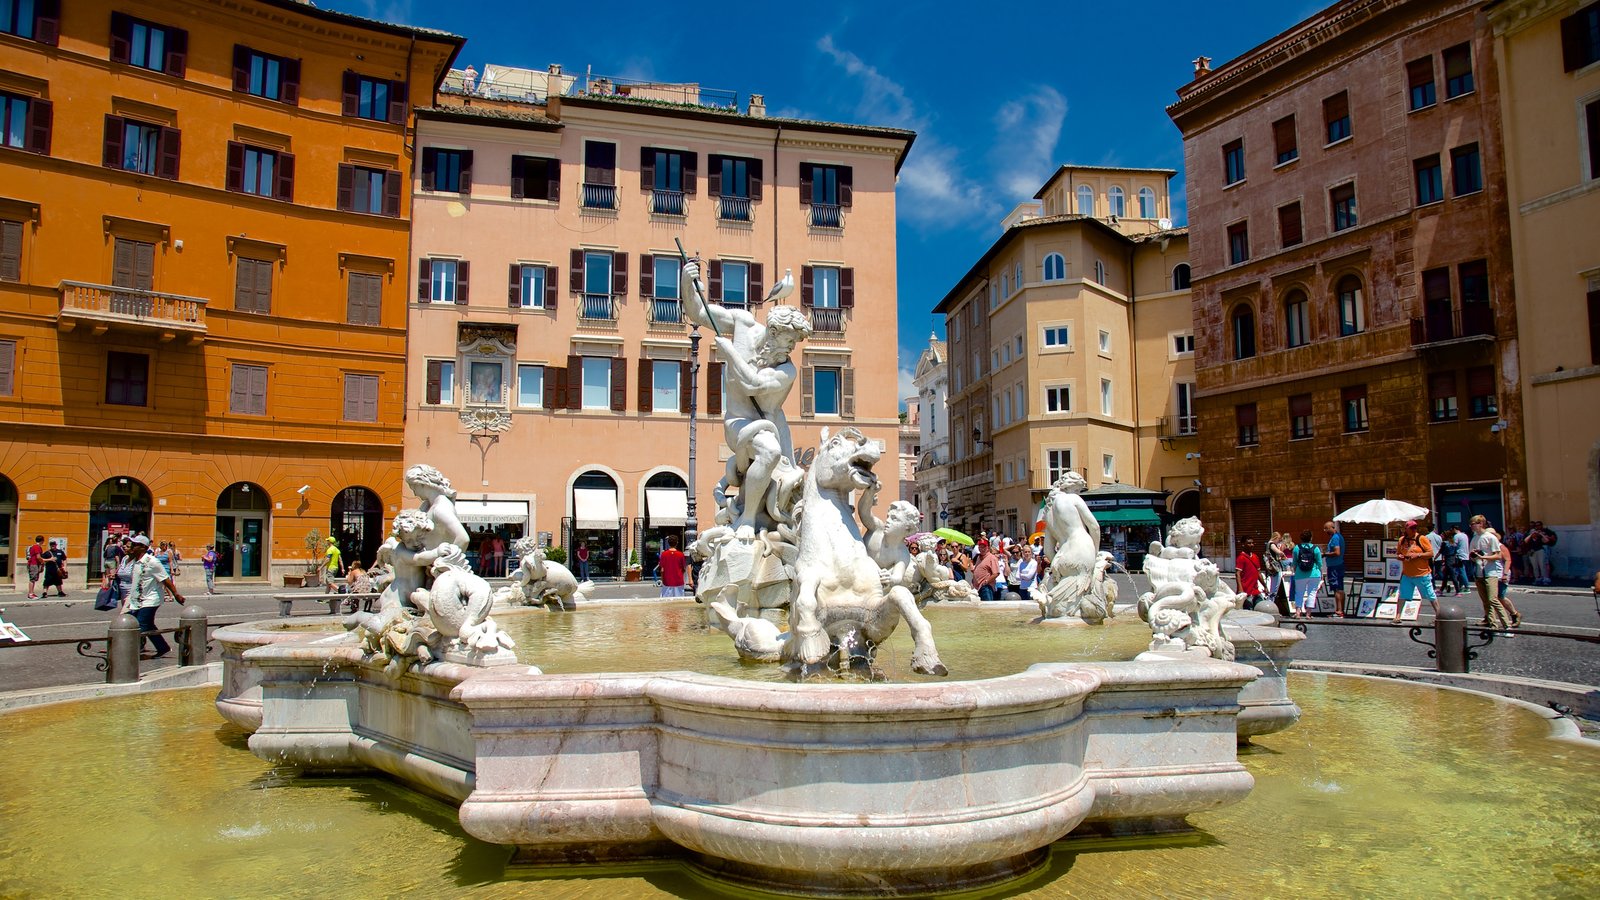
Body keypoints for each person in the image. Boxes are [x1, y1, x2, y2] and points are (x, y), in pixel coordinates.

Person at [681, 258, 813, 537]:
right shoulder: (742, 324)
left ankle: (749, 518)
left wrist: (729, 353)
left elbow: (752, 384)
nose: (790, 348)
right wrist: (686, 283)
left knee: (771, 452)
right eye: (789, 341)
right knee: (767, 451)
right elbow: (699, 313)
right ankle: (748, 517)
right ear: (773, 332)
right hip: (739, 422)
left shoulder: (786, 369)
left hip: (771, 427)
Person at [119, 534, 185, 659]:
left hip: (150, 599)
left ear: (143, 547)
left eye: (135, 545)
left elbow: (166, 579)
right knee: (148, 625)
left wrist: (176, 594)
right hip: (137, 600)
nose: (131, 547)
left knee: (139, 625)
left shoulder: (152, 561)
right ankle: (162, 647)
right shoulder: (135, 560)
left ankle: (130, 654)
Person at [1469, 514, 1512, 632]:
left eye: (1473, 524)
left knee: (1493, 599)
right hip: (1478, 573)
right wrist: (1473, 556)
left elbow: (1498, 555)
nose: (1471, 526)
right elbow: (1472, 557)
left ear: (1481, 524)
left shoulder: (1490, 537)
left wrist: (1485, 557)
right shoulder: (1474, 538)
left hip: (1491, 572)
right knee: (1485, 602)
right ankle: (1493, 625)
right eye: (1471, 524)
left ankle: (1507, 626)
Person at [1394, 519, 1437, 622]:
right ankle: (1398, 616)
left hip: (1422, 573)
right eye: (1411, 528)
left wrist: (1417, 555)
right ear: (1406, 529)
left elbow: (1430, 553)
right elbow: (1398, 554)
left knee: (1430, 595)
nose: (1414, 529)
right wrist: (1400, 557)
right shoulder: (1402, 540)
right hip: (1407, 574)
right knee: (1402, 595)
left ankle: (1438, 615)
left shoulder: (1421, 539)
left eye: (1415, 527)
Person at [1490, 528, 1522, 628]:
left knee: (1500, 597)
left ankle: (1515, 614)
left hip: (1501, 574)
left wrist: (1504, 574)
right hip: (1492, 574)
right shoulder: (1488, 547)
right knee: (1491, 597)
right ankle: (1489, 618)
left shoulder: (1501, 546)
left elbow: (1508, 560)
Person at [1290, 530, 1323, 618]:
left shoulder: (1297, 548)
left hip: (1300, 574)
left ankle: (1297, 612)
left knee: (1299, 593)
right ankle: (1308, 614)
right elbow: (1320, 562)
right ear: (1311, 538)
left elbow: (1295, 562)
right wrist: (1321, 571)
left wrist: (1295, 570)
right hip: (1314, 574)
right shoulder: (1315, 548)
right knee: (1312, 593)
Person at [1323, 521, 1347, 618]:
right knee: (1340, 588)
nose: (1325, 531)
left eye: (1326, 528)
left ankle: (1338, 611)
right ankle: (1341, 610)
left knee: (1337, 589)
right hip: (1339, 565)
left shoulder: (1335, 538)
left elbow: (1337, 552)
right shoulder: (1338, 536)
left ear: (1332, 527)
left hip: (1335, 566)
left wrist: (1325, 554)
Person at [1524, 521, 1556, 586]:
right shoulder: (1530, 539)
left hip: (1540, 551)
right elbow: (1525, 541)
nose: (1534, 534)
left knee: (1542, 565)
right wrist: (1530, 535)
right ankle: (1537, 578)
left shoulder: (1539, 538)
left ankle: (1545, 578)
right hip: (1532, 552)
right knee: (1535, 566)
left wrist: (1541, 534)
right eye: (1533, 533)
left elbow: (1546, 540)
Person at [1235, 538, 1264, 607]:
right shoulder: (1241, 558)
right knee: (1248, 611)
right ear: (1243, 545)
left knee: (1260, 607)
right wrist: (1240, 589)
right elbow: (1237, 574)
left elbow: (1258, 573)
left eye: (1252, 543)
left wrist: (1264, 585)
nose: (1251, 545)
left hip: (1255, 590)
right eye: (1249, 543)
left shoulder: (1255, 557)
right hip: (1246, 591)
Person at [1263, 531, 1288, 613]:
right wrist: (1283, 554)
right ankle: (1271, 606)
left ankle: (1270, 603)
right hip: (1275, 568)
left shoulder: (1268, 544)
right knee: (1274, 588)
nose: (1279, 541)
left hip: (1271, 568)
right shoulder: (1272, 544)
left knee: (1272, 586)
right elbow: (1278, 552)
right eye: (1279, 539)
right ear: (1276, 538)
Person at [1439, 526, 1464, 595]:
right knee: (1446, 576)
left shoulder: (1445, 543)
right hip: (1453, 559)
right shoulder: (1453, 543)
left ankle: (1458, 591)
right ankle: (1441, 590)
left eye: (1442, 535)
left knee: (1452, 575)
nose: (1441, 536)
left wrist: (1435, 558)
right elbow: (1456, 551)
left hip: (1448, 559)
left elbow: (1440, 552)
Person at [25, 535, 45, 599]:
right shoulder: (37, 547)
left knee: (33, 579)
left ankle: (32, 593)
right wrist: (42, 562)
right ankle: (30, 594)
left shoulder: (34, 546)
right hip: (34, 564)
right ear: (42, 541)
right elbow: (38, 557)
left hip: (33, 564)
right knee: (32, 579)